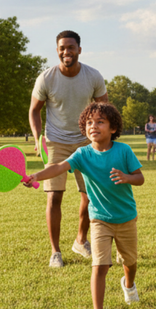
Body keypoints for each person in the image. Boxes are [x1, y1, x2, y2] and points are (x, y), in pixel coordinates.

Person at [23, 102, 144, 309]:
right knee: (99, 265)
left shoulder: (124, 151)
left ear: (113, 128)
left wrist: (127, 177)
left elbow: (140, 178)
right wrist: (36, 175)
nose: (93, 126)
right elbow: (58, 167)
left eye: (100, 122)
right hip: (99, 219)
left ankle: (129, 285)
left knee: (129, 261)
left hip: (126, 217)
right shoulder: (82, 154)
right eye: (89, 122)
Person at [29, 30, 109, 268]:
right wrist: (38, 138)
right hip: (56, 142)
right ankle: (55, 252)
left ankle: (80, 240)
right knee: (54, 196)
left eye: (71, 47)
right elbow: (34, 110)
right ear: (57, 51)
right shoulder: (46, 78)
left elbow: (105, 109)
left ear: (79, 50)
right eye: (62, 48)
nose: (67, 52)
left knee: (90, 195)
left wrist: (101, 138)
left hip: (86, 143)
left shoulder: (93, 76)